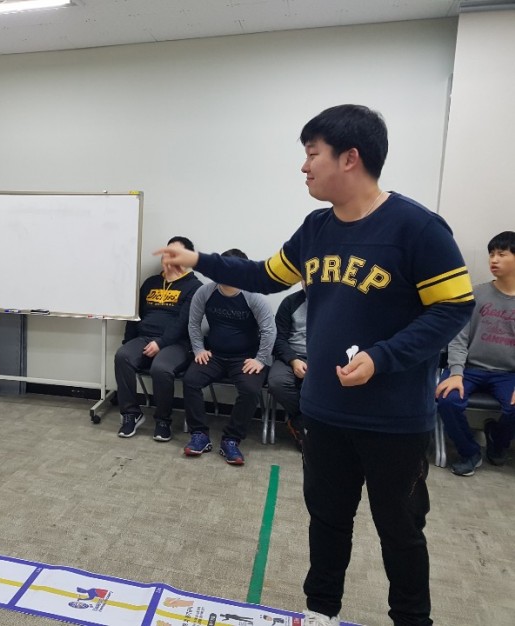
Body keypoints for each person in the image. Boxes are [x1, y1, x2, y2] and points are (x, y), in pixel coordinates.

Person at [156, 105, 474, 626]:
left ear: (350, 158)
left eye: (312, 154)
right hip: (324, 410)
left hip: (394, 419)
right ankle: (321, 611)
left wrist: (383, 357)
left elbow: (454, 307)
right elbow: (264, 274)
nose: (304, 167)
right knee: (326, 521)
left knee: (400, 530)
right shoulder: (316, 228)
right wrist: (199, 260)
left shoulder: (418, 227)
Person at [182, 248, 276, 465]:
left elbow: (269, 330)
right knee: (190, 381)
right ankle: (199, 434)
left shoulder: (254, 296)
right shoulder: (205, 292)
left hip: (245, 358)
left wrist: (260, 359)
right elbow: (193, 323)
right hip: (214, 355)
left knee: (251, 390)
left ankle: (231, 439)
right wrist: (198, 349)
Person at [435, 231, 515, 476]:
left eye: (501, 254)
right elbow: (458, 338)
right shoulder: (476, 294)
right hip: (470, 369)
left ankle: (497, 441)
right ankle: (470, 452)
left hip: (507, 373)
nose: (494, 259)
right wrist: (456, 373)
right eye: (491, 254)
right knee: (447, 399)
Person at [115, 236, 202, 441]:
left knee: (161, 368)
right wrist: (129, 342)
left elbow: (184, 322)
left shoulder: (195, 287)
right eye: (166, 252)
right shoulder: (151, 282)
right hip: (144, 337)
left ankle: (163, 420)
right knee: (123, 356)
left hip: (177, 344)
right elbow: (135, 316)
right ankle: (131, 414)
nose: (168, 257)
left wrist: (161, 343)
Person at [267, 283, 308, 450]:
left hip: (321, 358)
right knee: (277, 382)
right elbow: (279, 339)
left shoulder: (333, 304)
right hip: (291, 356)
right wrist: (293, 360)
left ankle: (306, 426)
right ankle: (301, 421)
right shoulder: (290, 302)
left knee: (322, 385)